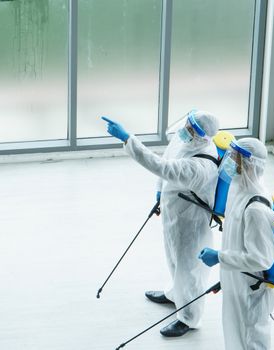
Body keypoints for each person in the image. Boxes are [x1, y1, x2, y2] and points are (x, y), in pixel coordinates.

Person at [102, 110, 219, 337]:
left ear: (203, 137)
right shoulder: (186, 137)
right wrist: (159, 190)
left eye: (192, 127)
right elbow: (168, 157)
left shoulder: (202, 165)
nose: (186, 128)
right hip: (174, 211)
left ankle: (189, 318)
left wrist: (128, 139)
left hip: (191, 222)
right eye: (188, 122)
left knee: (188, 271)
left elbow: (162, 167)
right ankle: (175, 295)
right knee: (173, 260)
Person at [198, 138, 274, 349]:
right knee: (236, 337)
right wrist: (227, 277)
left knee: (252, 340)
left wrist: (219, 258)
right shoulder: (239, 191)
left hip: (251, 292)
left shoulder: (256, 209)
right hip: (238, 283)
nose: (229, 160)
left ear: (249, 164)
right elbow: (237, 242)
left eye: (235, 157)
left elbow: (261, 259)